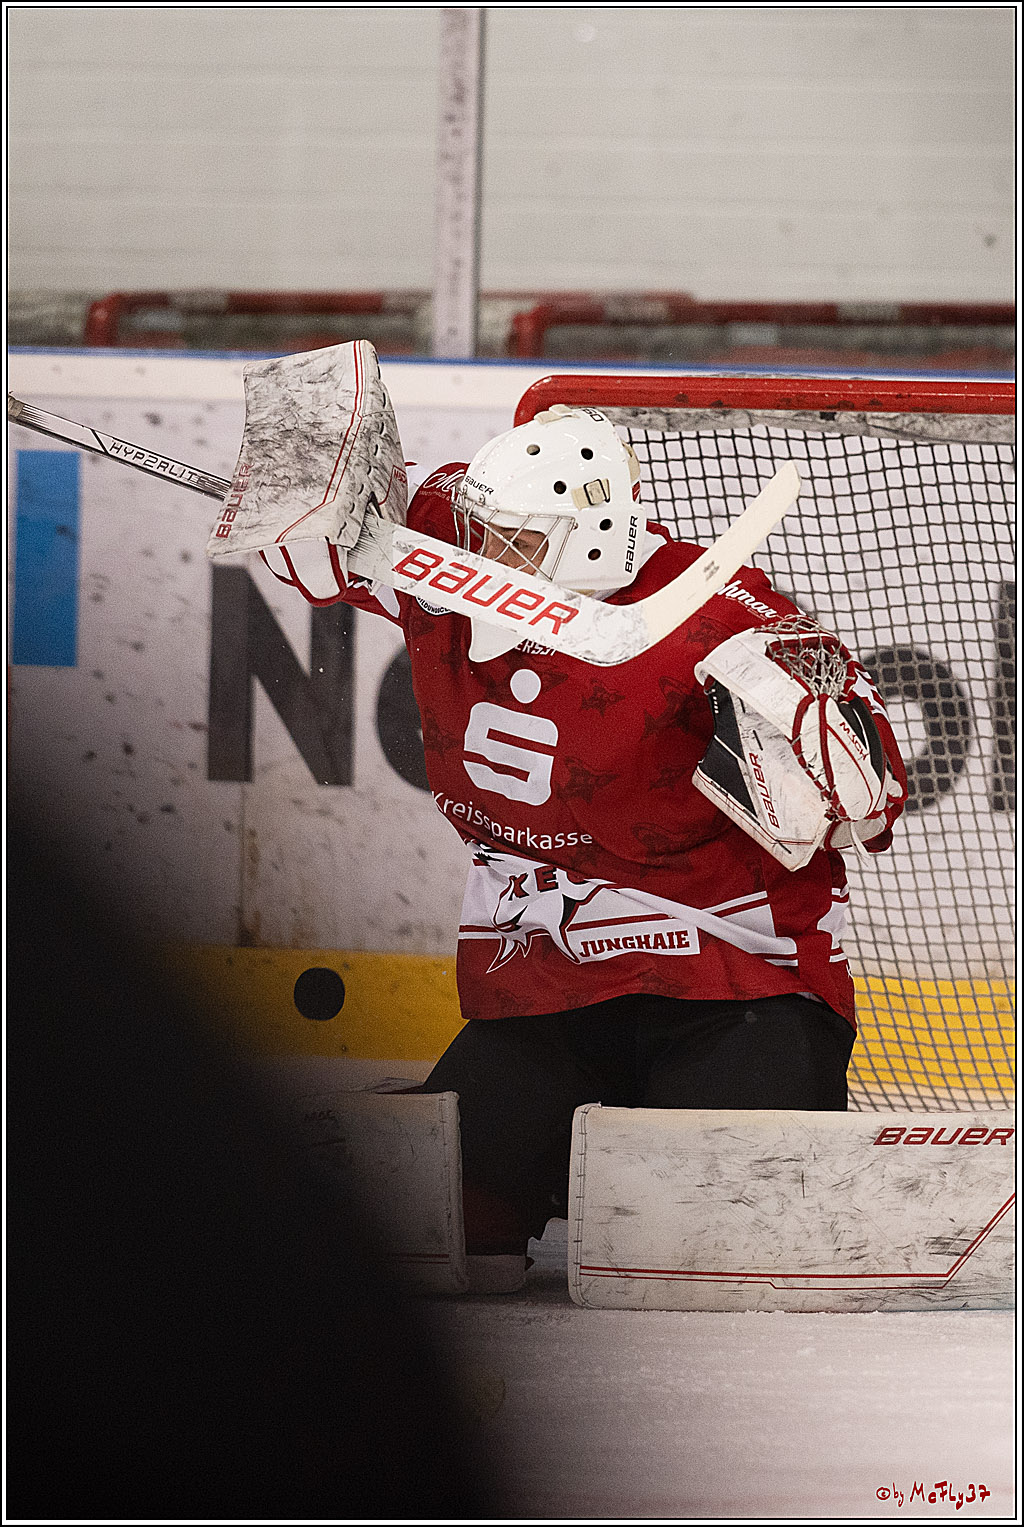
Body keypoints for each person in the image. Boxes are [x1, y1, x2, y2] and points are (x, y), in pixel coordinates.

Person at [262, 405, 908, 1290]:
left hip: (737, 984)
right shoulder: (453, 541)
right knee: (436, 1236)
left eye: (517, 544)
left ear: (595, 540)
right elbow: (323, 534)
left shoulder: (718, 610)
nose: (483, 558)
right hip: (550, 991)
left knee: (693, 1252)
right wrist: (301, 490)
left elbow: (871, 806)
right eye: (482, 532)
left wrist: (826, 742)